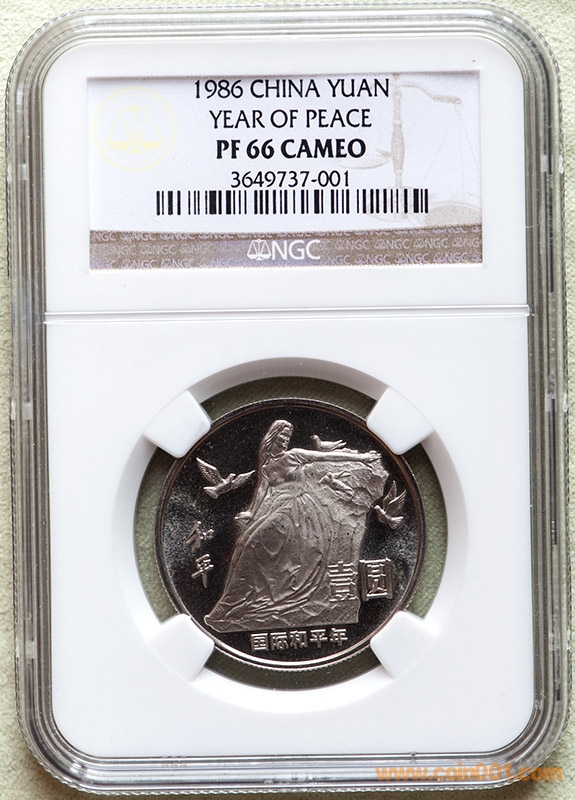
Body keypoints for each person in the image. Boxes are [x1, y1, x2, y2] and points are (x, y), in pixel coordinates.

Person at [205, 419, 386, 633]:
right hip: (278, 509)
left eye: (287, 437)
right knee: (244, 544)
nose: (285, 440)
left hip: (298, 511)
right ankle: (233, 603)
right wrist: (252, 512)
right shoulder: (267, 467)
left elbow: (327, 457)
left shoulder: (295, 455)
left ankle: (229, 605)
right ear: (272, 438)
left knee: (252, 545)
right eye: (282, 436)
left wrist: (361, 458)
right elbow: (262, 491)